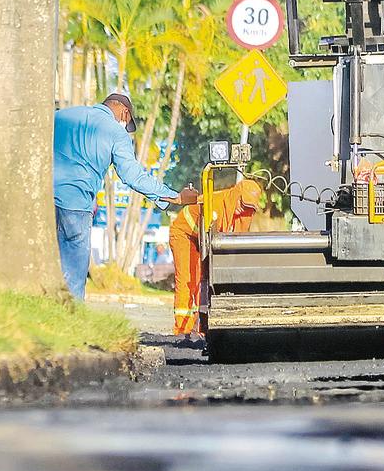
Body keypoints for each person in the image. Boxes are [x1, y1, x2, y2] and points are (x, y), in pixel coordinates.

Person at [53, 93, 198, 301]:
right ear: (124, 112)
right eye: (126, 123)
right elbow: (133, 176)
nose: (124, 126)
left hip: (45, 200)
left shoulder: (62, 116)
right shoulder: (114, 132)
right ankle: (70, 317)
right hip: (75, 204)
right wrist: (174, 197)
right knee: (74, 270)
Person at [169, 179, 265, 338]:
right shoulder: (216, 205)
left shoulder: (244, 210)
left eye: (248, 206)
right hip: (184, 234)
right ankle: (182, 330)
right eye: (243, 204)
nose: (243, 209)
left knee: (203, 281)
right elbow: (212, 240)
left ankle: (202, 328)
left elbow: (238, 240)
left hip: (204, 238)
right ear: (237, 195)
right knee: (188, 279)